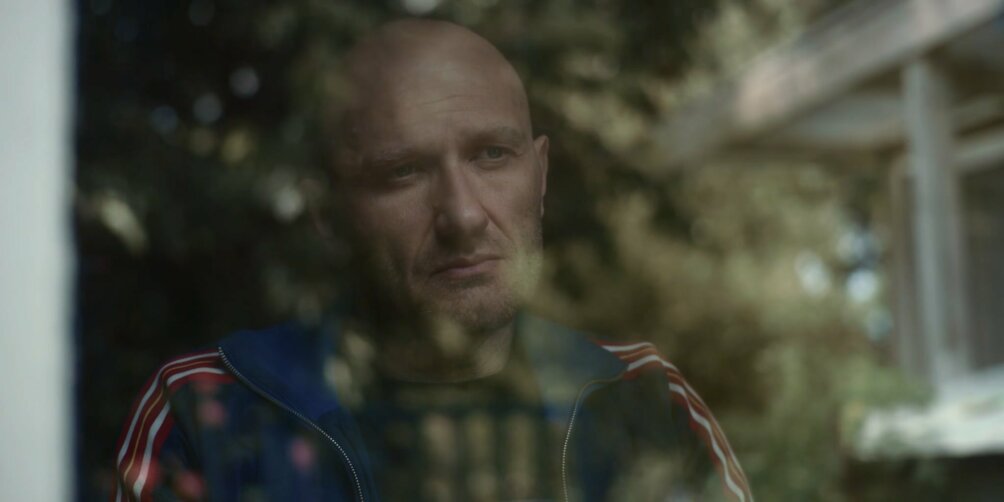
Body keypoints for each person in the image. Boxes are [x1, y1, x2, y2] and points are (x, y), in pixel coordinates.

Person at [112, 19, 752, 502]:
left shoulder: (644, 401)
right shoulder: (206, 407)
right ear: (329, 217)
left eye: (493, 156)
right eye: (404, 171)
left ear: (542, 174)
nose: (463, 214)